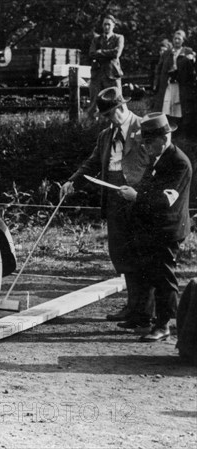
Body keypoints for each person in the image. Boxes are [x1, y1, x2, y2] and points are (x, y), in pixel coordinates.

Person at [60, 86, 153, 329]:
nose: (110, 119)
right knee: (122, 254)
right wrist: (72, 181)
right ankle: (133, 305)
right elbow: (92, 162)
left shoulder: (144, 128)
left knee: (141, 254)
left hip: (138, 198)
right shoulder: (105, 135)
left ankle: (144, 311)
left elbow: (157, 164)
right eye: (107, 116)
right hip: (113, 198)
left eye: (112, 114)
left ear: (123, 107)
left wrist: (145, 194)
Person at [118, 113, 192, 342]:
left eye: (149, 142)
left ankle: (164, 325)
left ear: (165, 136)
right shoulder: (158, 156)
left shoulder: (178, 162)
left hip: (167, 230)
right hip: (151, 228)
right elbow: (148, 186)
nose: (146, 147)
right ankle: (145, 318)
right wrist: (134, 190)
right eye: (144, 143)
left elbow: (164, 200)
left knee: (163, 278)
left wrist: (136, 197)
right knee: (146, 273)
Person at [153, 30, 196, 132]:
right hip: (169, 84)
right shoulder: (167, 53)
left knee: (179, 106)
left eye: (179, 39)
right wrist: (157, 83)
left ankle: (180, 129)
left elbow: (192, 69)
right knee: (167, 105)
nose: (177, 41)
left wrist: (192, 59)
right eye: (175, 39)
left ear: (183, 40)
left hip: (181, 85)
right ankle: (167, 128)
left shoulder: (187, 51)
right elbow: (160, 68)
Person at [86, 14, 125, 117]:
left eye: (108, 24)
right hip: (97, 75)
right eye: (104, 25)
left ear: (113, 25)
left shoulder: (119, 38)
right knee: (94, 103)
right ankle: (92, 127)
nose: (106, 27)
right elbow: (91, 53)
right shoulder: (96, 39)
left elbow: (116, 53)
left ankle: (119, 124)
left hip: (112, 74)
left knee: (116, 102)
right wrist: (107, 54)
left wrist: (100, 52)